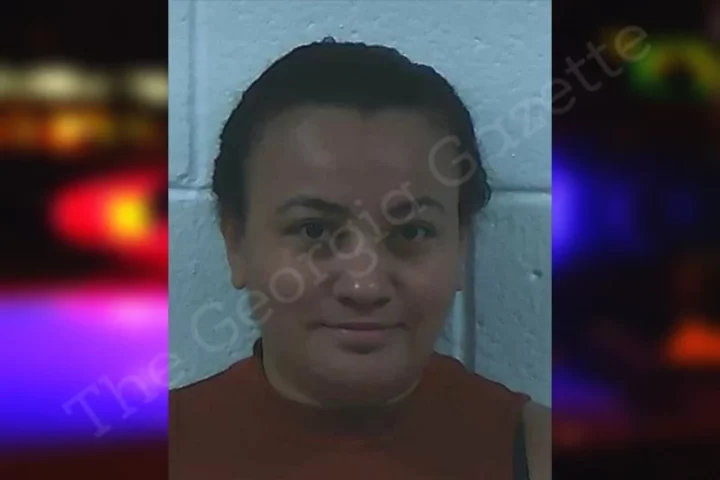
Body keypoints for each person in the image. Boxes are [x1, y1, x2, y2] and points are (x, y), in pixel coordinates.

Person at [170, 39, 550, 480]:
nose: (364, 286)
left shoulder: (539, 454)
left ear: (461, 244)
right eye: (313, 230)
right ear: (235, 241)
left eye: (411, 232)